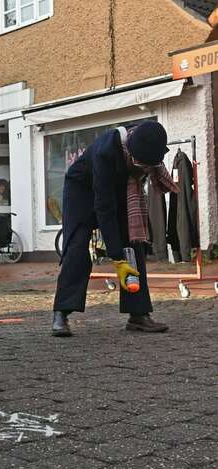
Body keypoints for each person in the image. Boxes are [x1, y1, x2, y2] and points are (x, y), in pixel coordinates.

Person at [52, 120, 178, 336]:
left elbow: (117, 207)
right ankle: (61, 315)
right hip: (81, 192)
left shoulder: (145, 138)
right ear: (131, 152)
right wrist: (116, 257)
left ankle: (138, 315)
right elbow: (104, 208)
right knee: (77, 245)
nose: (144, 170)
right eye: (141, 166)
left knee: (133, 245)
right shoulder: (105, 153)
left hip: (117, 193)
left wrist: (124, 254)